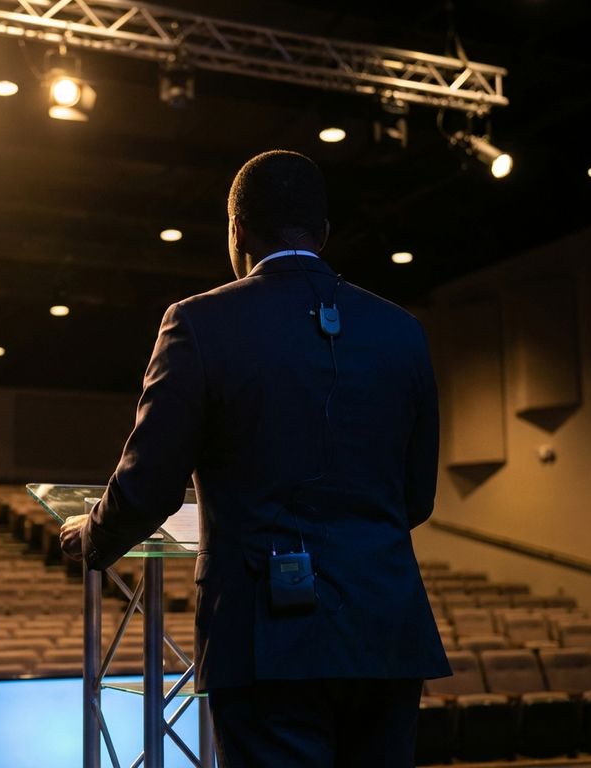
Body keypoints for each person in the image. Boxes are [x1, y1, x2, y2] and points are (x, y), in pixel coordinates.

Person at [60, 150, 450, 767]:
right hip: (385, 637)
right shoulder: (403, 331)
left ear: (236, 232)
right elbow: (416, 498)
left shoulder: (197, 322)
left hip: (268, 639)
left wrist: (90, 539)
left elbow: (150, 487)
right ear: (323, 234)